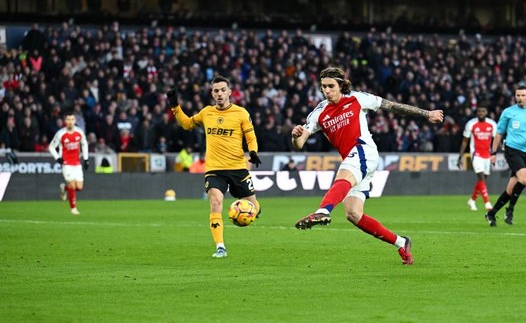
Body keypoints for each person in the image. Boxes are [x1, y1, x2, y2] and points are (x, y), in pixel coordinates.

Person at [291, 67, 444, 265]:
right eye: (323, 87)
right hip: (355, 159)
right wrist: (295, 136)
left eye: (330, 86)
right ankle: (401, 242)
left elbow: (391, 106)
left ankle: (323, 211)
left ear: (341, 86)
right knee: (353, 214)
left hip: (364, 151)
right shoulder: (319, 113)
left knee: (343, 176)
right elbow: (300, 143)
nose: (327, 90)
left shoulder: (357, 98)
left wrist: (426, 113)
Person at [167, 75, 262, 258]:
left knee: (253, 205)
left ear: (229, 92)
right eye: (216, 91)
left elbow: (250, 136)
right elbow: (187, 124)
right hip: (214, 170)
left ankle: (253, 210)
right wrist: (175, 106)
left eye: (222, 90)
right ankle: (220, 247)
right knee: (215, 202)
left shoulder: (241, 113)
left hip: (237, 168)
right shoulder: (206, 113)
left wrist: (253, 152)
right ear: (212, 93)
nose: (219, 94)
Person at [485, 85, 526, 227]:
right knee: (524, 179)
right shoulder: (508, 112)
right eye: (517, 95)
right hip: (512, 150)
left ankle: (491, 213)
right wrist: (493, 153)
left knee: (510, 189)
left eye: (522, 95)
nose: (520, 98)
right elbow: (499, 133)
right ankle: (510, 210)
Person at [49, 112, 89, 215]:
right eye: (68, 119)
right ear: (65, 121)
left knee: (79, 187)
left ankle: (64, 188)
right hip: (66, 163)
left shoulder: (79, 132)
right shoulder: (60, 134)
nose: (70, 122)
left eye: (72, 119)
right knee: (72, 185)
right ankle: (73, 209)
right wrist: (58, 158)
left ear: (75, 121)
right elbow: (51, 147)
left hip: (77, 163)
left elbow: (84, 144)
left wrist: (86, 159)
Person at [457, 106, 497, 211]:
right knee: (481, 178)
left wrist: (495, 153)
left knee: (483, 179)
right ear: (476, 113)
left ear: (486, 112)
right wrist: (460, 156)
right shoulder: (471, 124)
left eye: (483, 111)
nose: (481, 113)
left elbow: (496, 140)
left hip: (487, 155)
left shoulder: (492, 124)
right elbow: (465, 141)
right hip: (476, 154)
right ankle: (487, 203)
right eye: (479, 111)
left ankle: (472, 200)